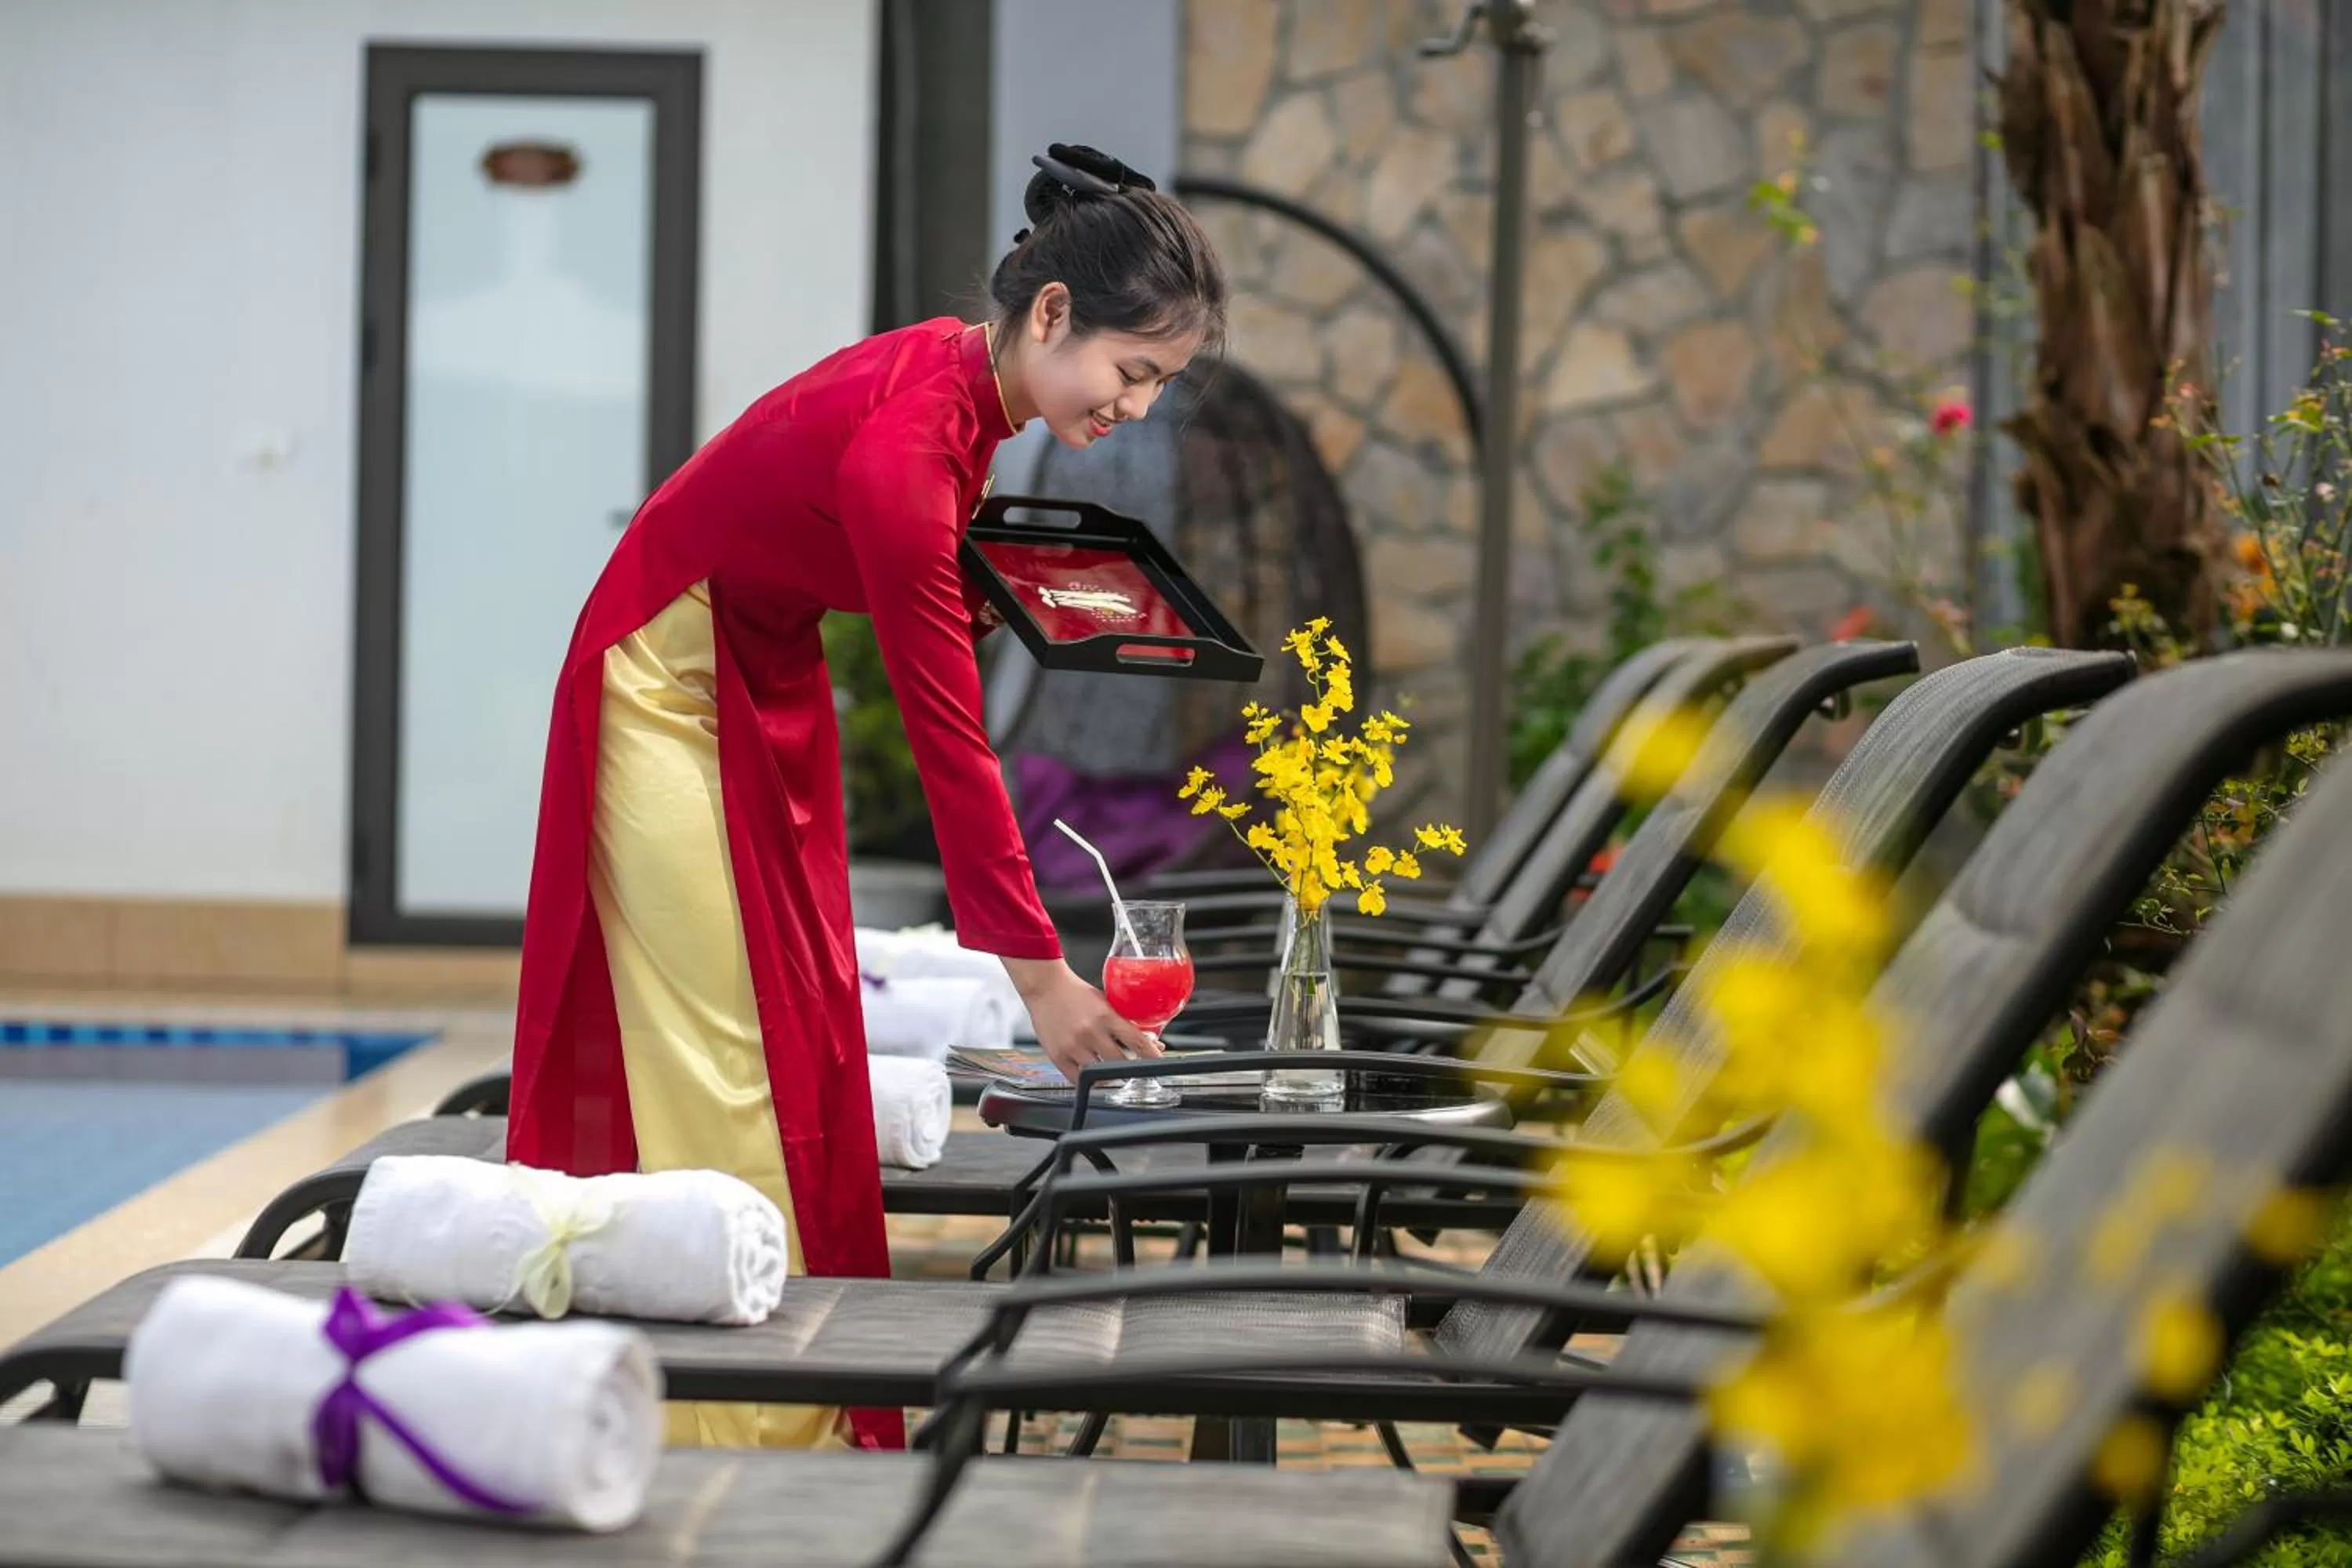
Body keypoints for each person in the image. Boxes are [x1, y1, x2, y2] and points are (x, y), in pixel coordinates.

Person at [506, 145, 1227, 1454]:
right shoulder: (918, 442)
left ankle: (781, 1389)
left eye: (1159, 386)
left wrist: (996, 577)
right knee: (723, 1039)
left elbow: (886, 543)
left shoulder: (961, 379)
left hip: (751, 678)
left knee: (793, 1026)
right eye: (1134, 372)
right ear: (1055, 315)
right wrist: (1042, 982)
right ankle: (738, 1425)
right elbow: (953, 749)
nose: (1136, 407)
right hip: (661, 685)